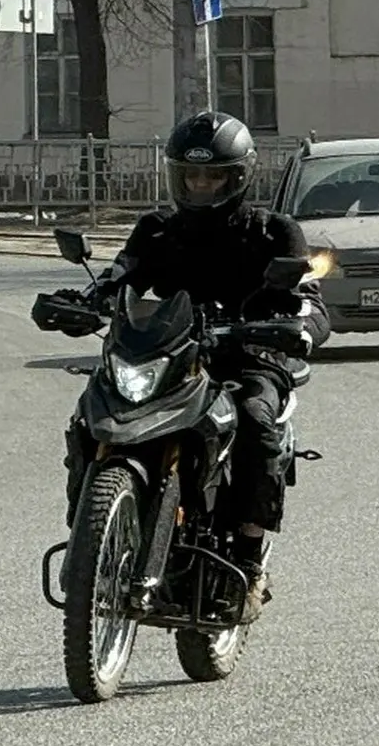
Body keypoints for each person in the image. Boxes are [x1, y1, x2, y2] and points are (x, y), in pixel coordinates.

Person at [42, 110, 330, 622]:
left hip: (246, 356)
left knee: (255, 421)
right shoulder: (156, 231)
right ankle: (87, 537)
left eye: (213, 176)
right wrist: (82, 303)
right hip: (169, 356)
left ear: (239, 177)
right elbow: (119, 278)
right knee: (93, 411)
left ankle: (248, 558)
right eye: (191, 176)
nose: (200, 186)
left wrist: (299, 327)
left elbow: (310, 302)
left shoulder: (274, 233)